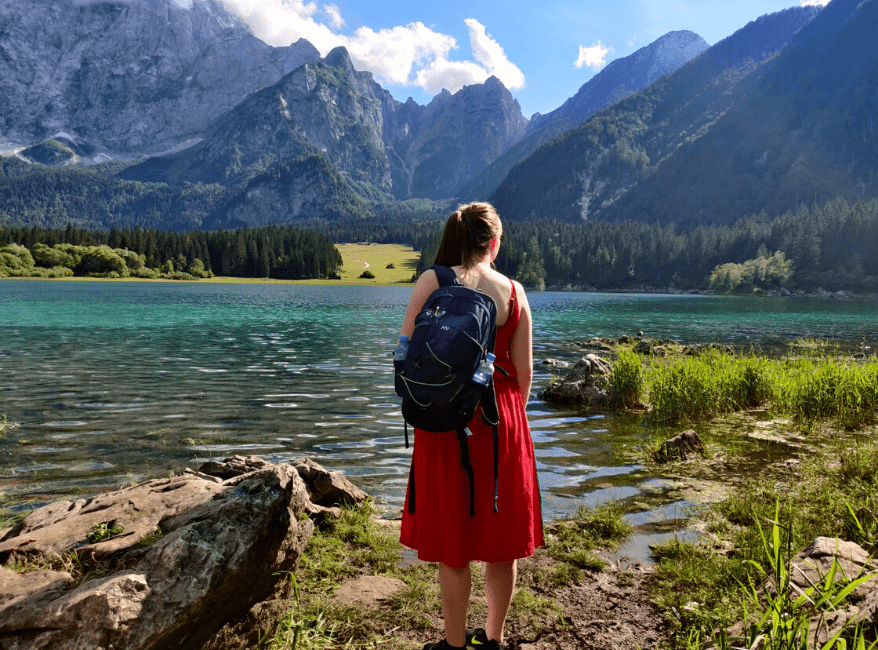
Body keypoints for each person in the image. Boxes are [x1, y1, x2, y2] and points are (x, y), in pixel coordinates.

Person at [398, 202, 544, 650]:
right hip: (500, 420)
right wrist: (504, 421)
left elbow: (405, 355)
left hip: (443, 422)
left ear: (456, 238)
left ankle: (454, 644)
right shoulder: (515, 293)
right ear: (495, 242)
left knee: (453, 540)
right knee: (500, 540)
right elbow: (524, 375)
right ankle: (494, 639)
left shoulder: (432, 280)